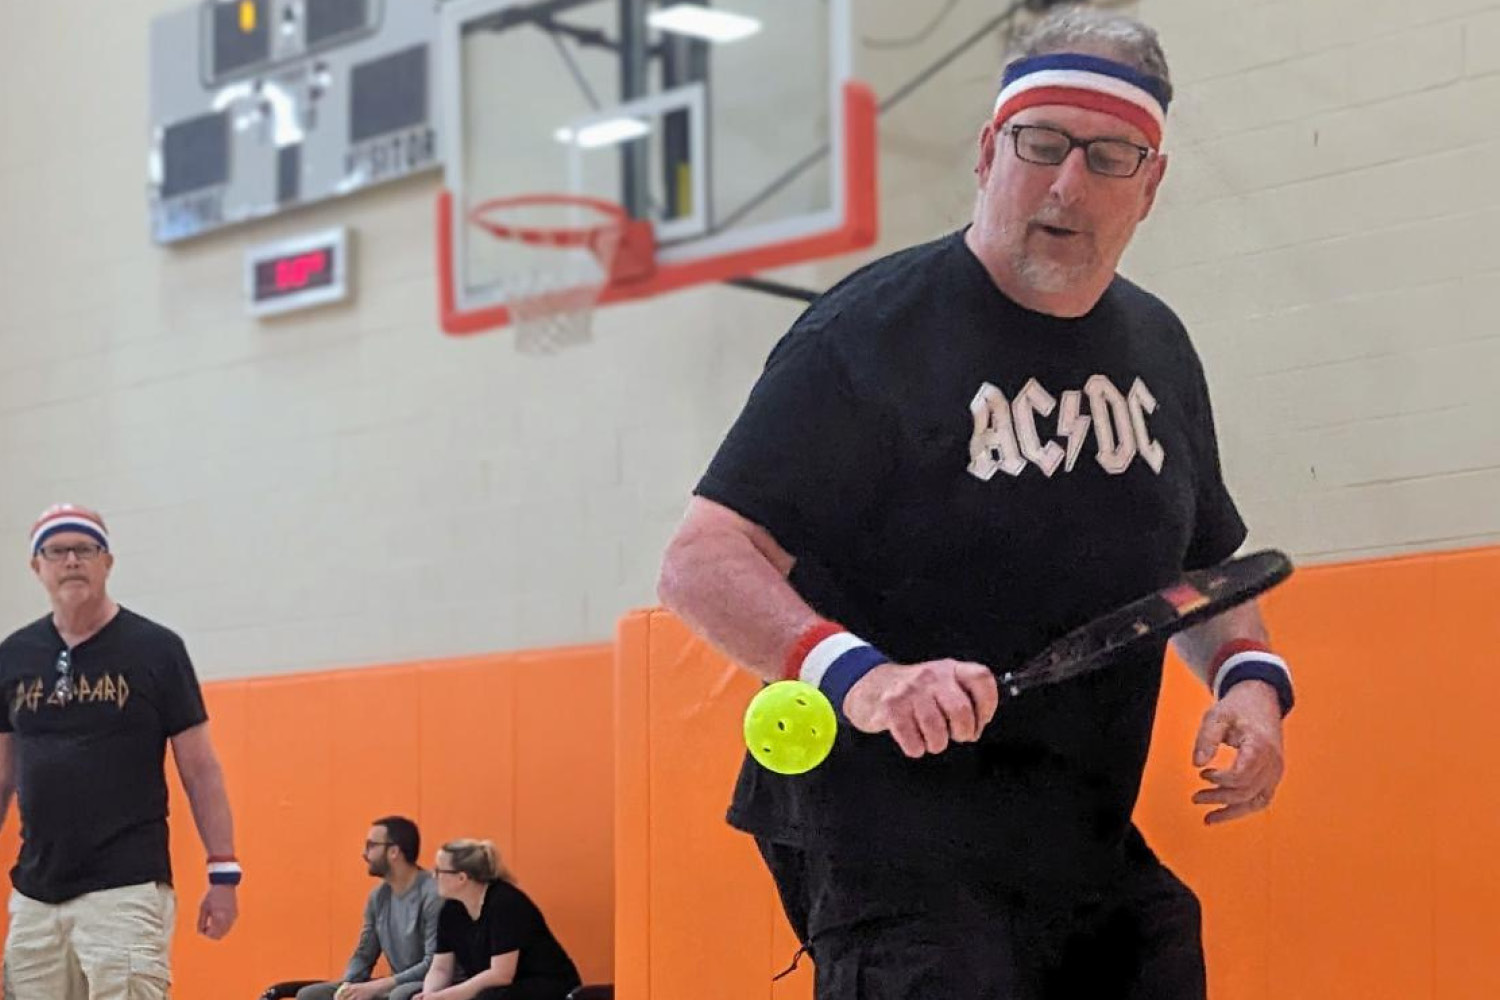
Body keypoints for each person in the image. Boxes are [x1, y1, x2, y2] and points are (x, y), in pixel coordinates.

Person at [656, 7, 1296, 999]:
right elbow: (702, 557)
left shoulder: (1159, 349)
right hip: (890, 832)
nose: (1068, 184)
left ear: (1151, 183)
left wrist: (1250, 683)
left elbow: (1203, 575)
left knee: (1165, 936)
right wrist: (866, 679)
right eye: (1042, 146)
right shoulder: (867, 335)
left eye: (1110, 155)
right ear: (989, 151)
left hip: (1076, 826)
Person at [0, 503, 240, 1000]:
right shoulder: (14, 656)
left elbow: (201, 769)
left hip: (124, 885)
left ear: (106, 562)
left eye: (84, 550)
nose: (71, 561)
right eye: (57, 551)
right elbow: (3, 772)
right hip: (36, 893)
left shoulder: (155, 649)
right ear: (36, 566)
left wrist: (223, 873)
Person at [290, 817, 444, 1000]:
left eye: (371, 845)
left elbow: (433, 964)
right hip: (394, 984)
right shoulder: (378, 897)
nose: (365, 854)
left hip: (431, 985)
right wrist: (348, 985)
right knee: (311, 995)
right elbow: (364, 953)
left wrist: (377, 986)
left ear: (394, 851)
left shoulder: (434, 895)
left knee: (399, 995)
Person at [417, 839, 581, 1000]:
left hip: (545, 984)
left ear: (462, 878)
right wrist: (429, 994)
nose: (433, 876)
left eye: (439, 870)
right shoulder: (450, 910)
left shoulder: (505, 903)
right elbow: (441, 968)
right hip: (498, 989)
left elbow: (501, 975)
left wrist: (445, 997)